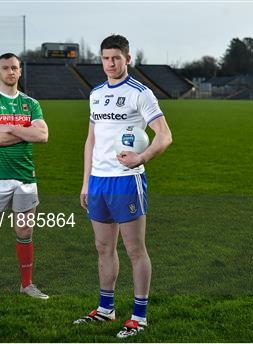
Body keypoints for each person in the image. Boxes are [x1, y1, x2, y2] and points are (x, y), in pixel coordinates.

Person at [74, 35, 172, 338]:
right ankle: (106, 309)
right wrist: (86, 182)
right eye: (105, 58)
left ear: (127, 58)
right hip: (99, 182)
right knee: (103, 247)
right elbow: (91, 140)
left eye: (116, 58)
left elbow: (164, 135)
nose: (110, 64)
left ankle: (139, 316)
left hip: (127, 181)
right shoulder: (96, 93)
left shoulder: (140, 94)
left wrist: (141, 157)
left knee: (134, 249)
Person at [0, 53, 49, 306]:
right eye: (5, 68)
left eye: (14, 68)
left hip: (26, 178)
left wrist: (11, 128)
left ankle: (26, 284)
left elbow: (43, 136)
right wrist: (27, 132)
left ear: (20, 71)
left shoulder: (31, 103)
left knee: (25, 231)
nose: (10, 72)